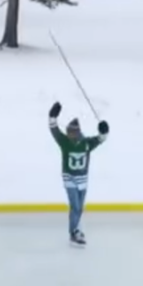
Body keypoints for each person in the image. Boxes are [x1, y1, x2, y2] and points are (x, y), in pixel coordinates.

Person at [48, 102, 109, 245]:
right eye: (68, 132)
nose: (69, 134)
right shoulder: (64, 142)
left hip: (83, 180)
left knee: (79, 207)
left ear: (77, 132)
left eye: (72, 132)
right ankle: (74, 232)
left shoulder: (86, 143)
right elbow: (54, 129)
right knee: (75, 205)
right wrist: (52, 116)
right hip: (69, 178)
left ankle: (76, 230)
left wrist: (104, 131)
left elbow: (101, 139)